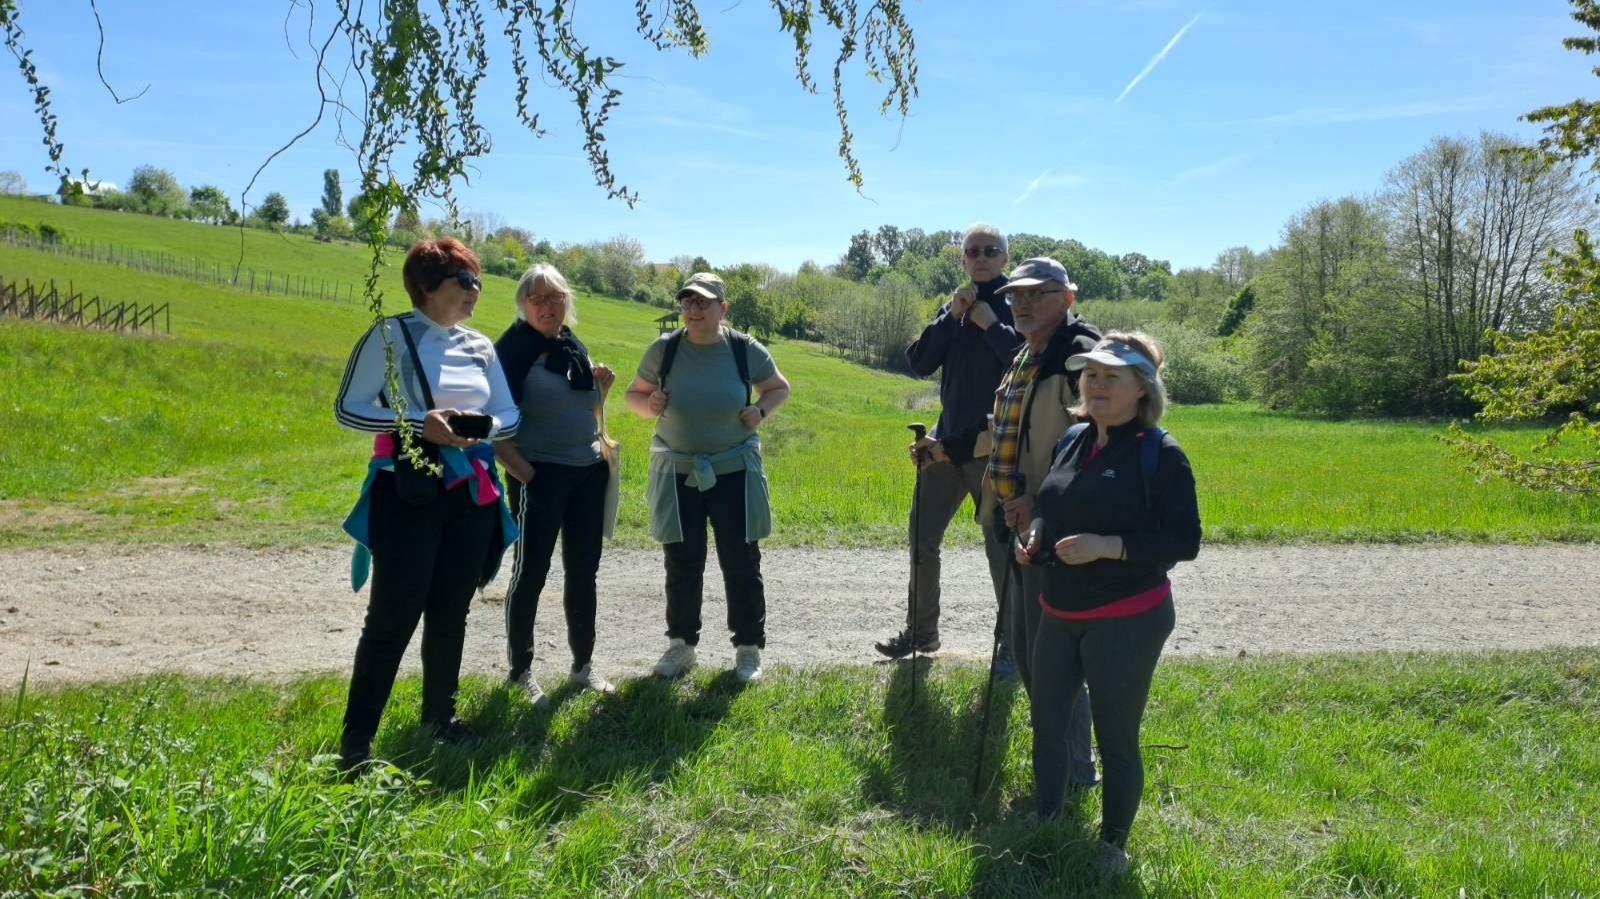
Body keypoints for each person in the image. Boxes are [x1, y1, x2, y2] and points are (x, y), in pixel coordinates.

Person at [1015, 331, 1201, 877]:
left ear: (1141, 390)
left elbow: (1184, 541)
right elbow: (1054, 505)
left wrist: (1109, 548)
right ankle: (1046, 818)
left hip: (1128, 617)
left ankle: (1112, 845)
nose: (1095, 385)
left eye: (1110, 377)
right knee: (1047, 722)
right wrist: (1037, 539)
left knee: (1116, 738)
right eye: (1090, 375)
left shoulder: (1160, 454)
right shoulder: (1073, 439)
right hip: (1060, 610)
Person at [333, 238, 521, 771]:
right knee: (392, 617)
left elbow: (509, 416)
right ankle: (357, 745)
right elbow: (348, 409)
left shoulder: (481, 346)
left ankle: (441, 719)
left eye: (478, 282)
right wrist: (419, 425)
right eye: (465, 281)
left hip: (471, 495)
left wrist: (482, 428)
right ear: (427, 285)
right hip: (410, 491)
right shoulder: (391, 337)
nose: (475, 292)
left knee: (450, 612)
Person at [623, 272, 791, 683]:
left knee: (741, 560)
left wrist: (760, 412)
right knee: (682, 562)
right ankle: (682, 647)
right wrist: (652, 404)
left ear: (723, 308)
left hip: (733, 471)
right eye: (688, 302)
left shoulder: (742, 349)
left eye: (703, 302)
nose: (694, 310)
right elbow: (634, 397)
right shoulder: (664, 350)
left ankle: (748, 649)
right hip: (678, 472)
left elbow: (778, 388)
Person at [876, 223, 1022, 663]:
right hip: (944, 445)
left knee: (999, 546)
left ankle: (1011, 647)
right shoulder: (955, 308)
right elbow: (919, 362)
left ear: (1004, 259)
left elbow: (1025, 363)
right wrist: (951, 316)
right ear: (963, 260)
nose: (980, 257)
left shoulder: (1016, 304)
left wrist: (993, 325)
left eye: (989, 250)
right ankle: (922, 635)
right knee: (922, 537)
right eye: (972, 251)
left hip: (991, 446)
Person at [982, 257, 1101, 789]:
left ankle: (1077, 772)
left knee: (1053, 662)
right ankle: (1062, 760)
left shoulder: (1080, 356)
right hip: (1016, 524)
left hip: (1052, 530)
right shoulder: (1023, 356)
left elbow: (1095, 447)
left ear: (1068, 298)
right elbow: (1006, 432)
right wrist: (951, 449)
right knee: (1029, 654)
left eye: (1039, 293)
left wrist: (1042, 506)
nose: (1023, 303)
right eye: (1016, 296)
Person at [493, 263, 618, 707]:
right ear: (523, 304)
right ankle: (520, 672)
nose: (547, 306)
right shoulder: (509, 352)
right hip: (539, 477)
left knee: (584, 573)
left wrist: (601, 389)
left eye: (555, 298)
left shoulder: (571, 347)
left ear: (568, 303)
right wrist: (525, 474)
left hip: (586, 473)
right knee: (530, 573)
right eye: (537, 299)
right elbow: (491, 428)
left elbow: (583, 413)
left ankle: (583, 667)